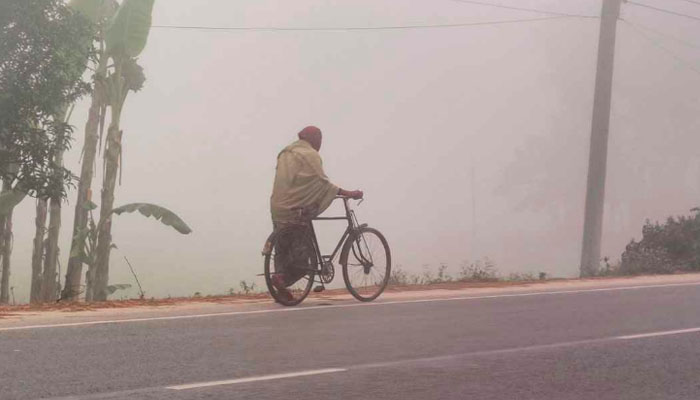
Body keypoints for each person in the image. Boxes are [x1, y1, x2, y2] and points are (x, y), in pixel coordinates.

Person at [269, 126, 362, 300]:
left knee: (283, 252)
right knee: (303, 261)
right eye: (319, 139)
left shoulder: (286, 153)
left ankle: (280, 287)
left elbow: (295, 183)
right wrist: (349, 193)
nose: (320, 143)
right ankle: (282, 279)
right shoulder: (310, 155)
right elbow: (322, 183)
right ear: (313, 139)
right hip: (296, 210)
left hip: (278, 208)